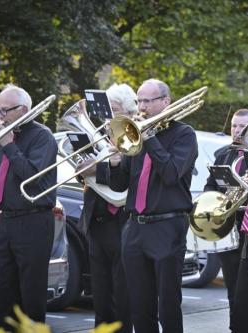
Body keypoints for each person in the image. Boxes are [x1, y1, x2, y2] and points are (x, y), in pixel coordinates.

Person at [101, 79, 198, 333]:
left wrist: (150, 139)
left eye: (147, 101)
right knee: (139, 306)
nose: (141, 107)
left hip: (167, 226)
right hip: (134, 227)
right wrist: (114, 161)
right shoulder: (134, 135)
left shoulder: (184, 134)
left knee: (168, 305)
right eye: (139, 101)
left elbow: (170, 174)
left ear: (165, 102)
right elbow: (121, 185)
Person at [0, 84, 57, 327]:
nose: (0, 116)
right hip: (7, 220)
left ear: (23, 109)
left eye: (5, 110)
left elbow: (32, 178)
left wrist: (9, 145)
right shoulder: (3, 136)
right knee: (4, 289)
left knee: (31, 290)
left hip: (34, 220)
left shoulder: (41, 136)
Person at [75, 83, 137, 331]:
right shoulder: (100, 133)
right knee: (100, 295)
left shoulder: (135, 135)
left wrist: (97, 168)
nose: (109, 114)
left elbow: (126, 176)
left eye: (115, 108)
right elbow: (84, 171)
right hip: (96, 223)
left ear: (129, 109)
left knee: (122, 294)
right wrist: (83, 169)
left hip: (122, 222)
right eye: (107, 108)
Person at [203, 108, 248, 333]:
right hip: (228, 229)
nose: (237, 131)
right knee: (233, 290)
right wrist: (217, 199)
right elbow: (210, 185)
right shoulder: (223, 154)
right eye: (234, 126)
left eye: (242, 127)